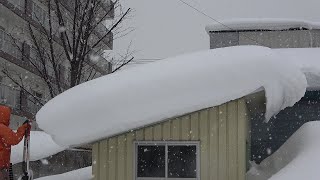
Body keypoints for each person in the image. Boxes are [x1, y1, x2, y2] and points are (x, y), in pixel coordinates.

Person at [0, 105, 31, 180]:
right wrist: (23, 128)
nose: (9, 119)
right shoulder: (1, 128)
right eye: (8, 116)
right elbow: (14, 139)